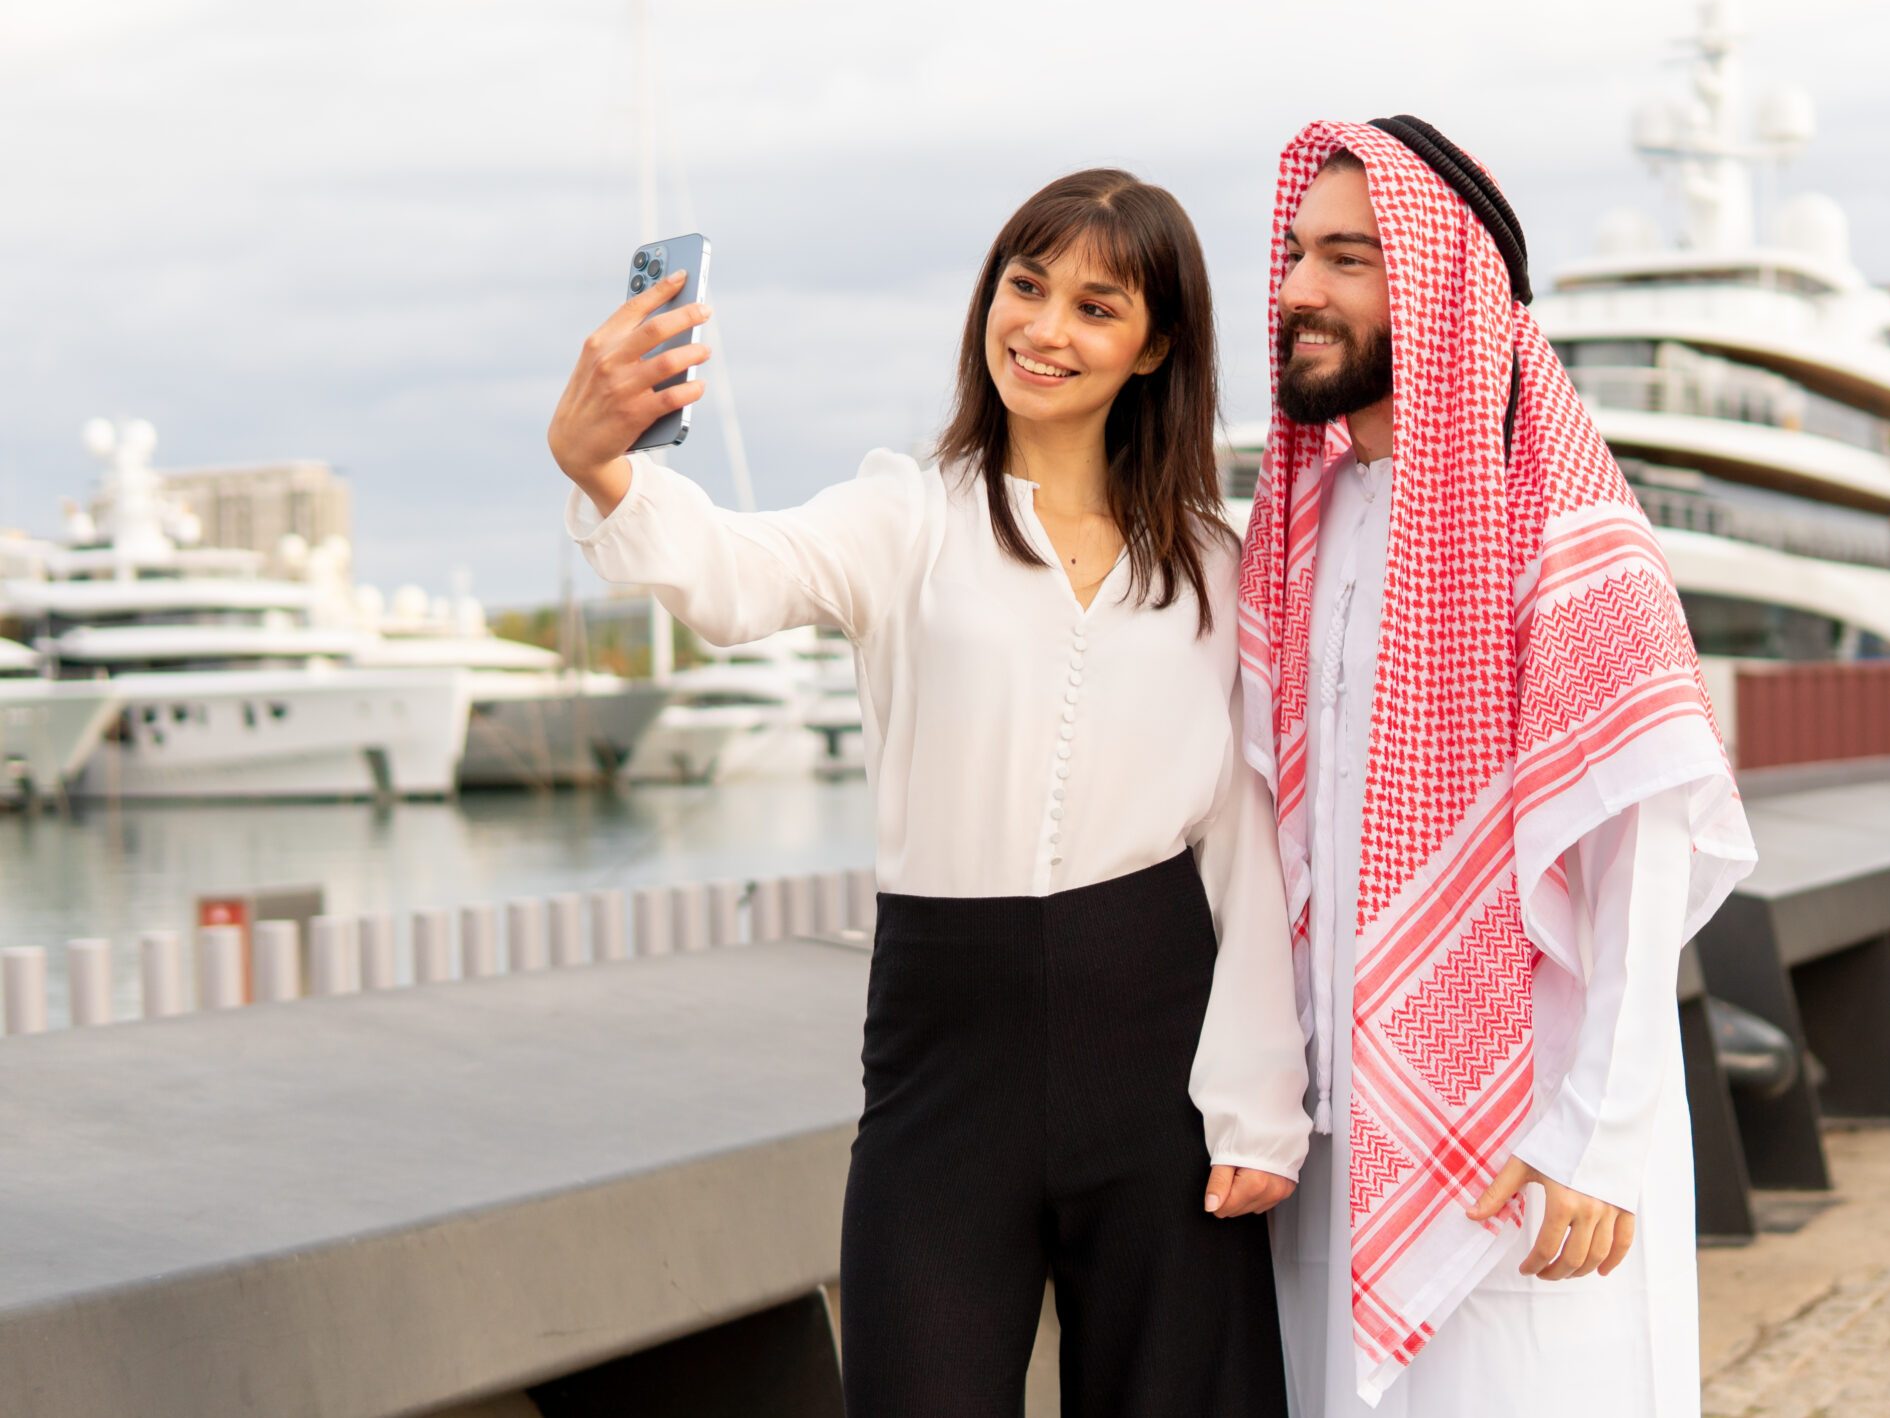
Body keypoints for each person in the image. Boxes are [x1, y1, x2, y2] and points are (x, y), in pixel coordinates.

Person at [544, 168, 1308, 1417]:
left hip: (1158, 1051)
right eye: (1025, 285)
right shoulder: (906, 516)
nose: (1044, 329)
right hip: (944, 1055)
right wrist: (603, 469)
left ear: (1155, 344)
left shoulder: (1213, 566)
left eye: (1095, 306)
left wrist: (1258, 1102)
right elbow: (740, 574)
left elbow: (1243, 842)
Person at [1237, 120, 1759, 1415]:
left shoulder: (1563, 525)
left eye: (1348, 259)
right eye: (1299, 253)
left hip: (1528, 1150)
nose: (1300, 289)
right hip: (1338, 1140)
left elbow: (1644, 848)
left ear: (1440, 281)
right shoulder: (1301, 526)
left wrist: (1600, 1135)